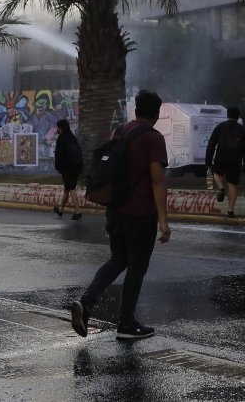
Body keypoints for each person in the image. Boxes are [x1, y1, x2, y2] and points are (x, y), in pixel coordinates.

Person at [71, 90, 171, 341]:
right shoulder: (153, 138)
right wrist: (163, 220)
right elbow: (158, 181)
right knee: (137, 267)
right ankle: (126, 324)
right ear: (157, 113)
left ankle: (86, 302)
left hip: (115, 209)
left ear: (135, 109)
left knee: (117, 260)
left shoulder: (119, 131)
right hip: (140, 213)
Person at [205, 107, 245, 218]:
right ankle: (230, 211)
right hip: (236, 160)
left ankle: (221, 188)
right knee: (232, 184)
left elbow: (211, 145)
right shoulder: (242, 130)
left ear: (227, 114)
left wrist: (208, 161)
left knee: (217, 173)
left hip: (221, 158)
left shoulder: (220, 127)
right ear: (238, 116)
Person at [53, 119, 83, 220]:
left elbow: (59, 155)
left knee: (71, 188)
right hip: (76, 167)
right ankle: (61, 210)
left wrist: (58, 167)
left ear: (60, 128)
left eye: (58, 127)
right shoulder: (72, 137)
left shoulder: (61, 139)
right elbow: (79, 152)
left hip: (66, 168)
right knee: (67, 188)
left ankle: (78, 211)